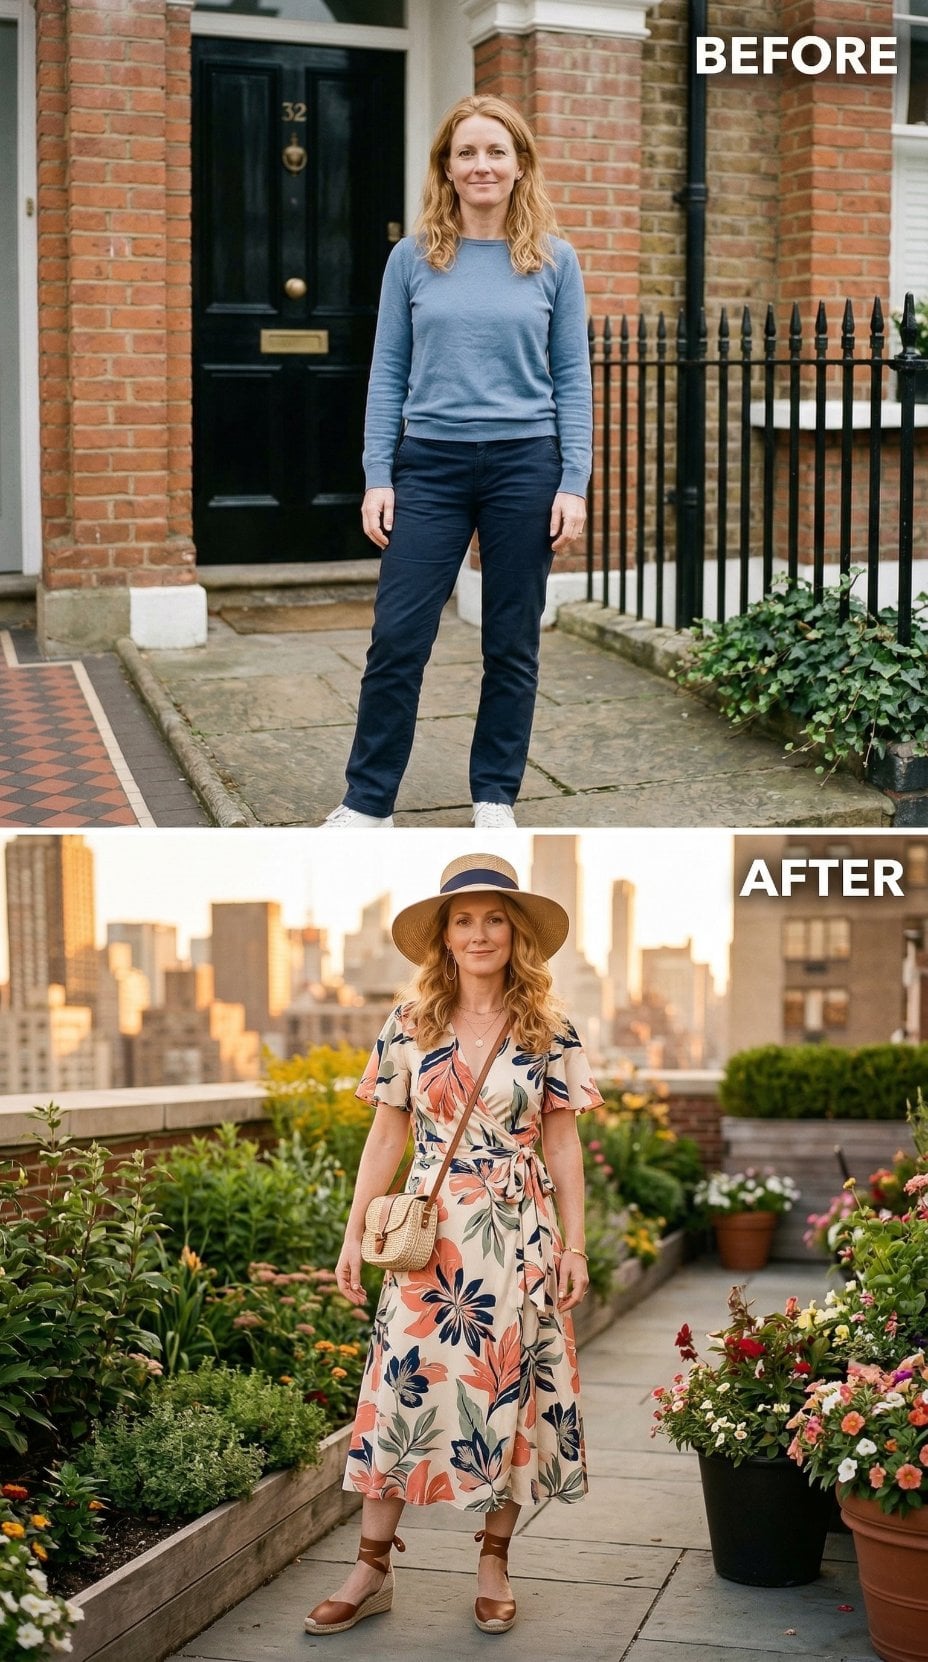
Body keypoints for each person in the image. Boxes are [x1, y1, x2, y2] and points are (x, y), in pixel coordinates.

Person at [304, 852, 603, 1638]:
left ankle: (494, 1562)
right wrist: (353, 1234)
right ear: (443, 936)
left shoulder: (551, 1030)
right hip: (427, 1243)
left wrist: (574, 1246)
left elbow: (563, 1145)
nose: (479, 934)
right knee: (398, 1389)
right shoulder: (409, 1025)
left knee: (506, 1393)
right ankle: (371, 1569)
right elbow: (385, 1137)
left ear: (516, 932)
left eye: (494, 919)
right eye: (463, 920)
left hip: (518, 1239)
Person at [322, 95, 592, 832]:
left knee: (511, 641)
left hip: (524, 466)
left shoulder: (554, 260)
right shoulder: (412, 259)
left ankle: (495, 796)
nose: (481, 165)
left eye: (496, 151)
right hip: (430, 467)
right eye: (466, 152)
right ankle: (367, 802)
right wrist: (379, 474)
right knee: (398, 638)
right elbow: (387, 372)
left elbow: (573, 377)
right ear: (446, 166)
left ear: (520, 165)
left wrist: (573, 482)